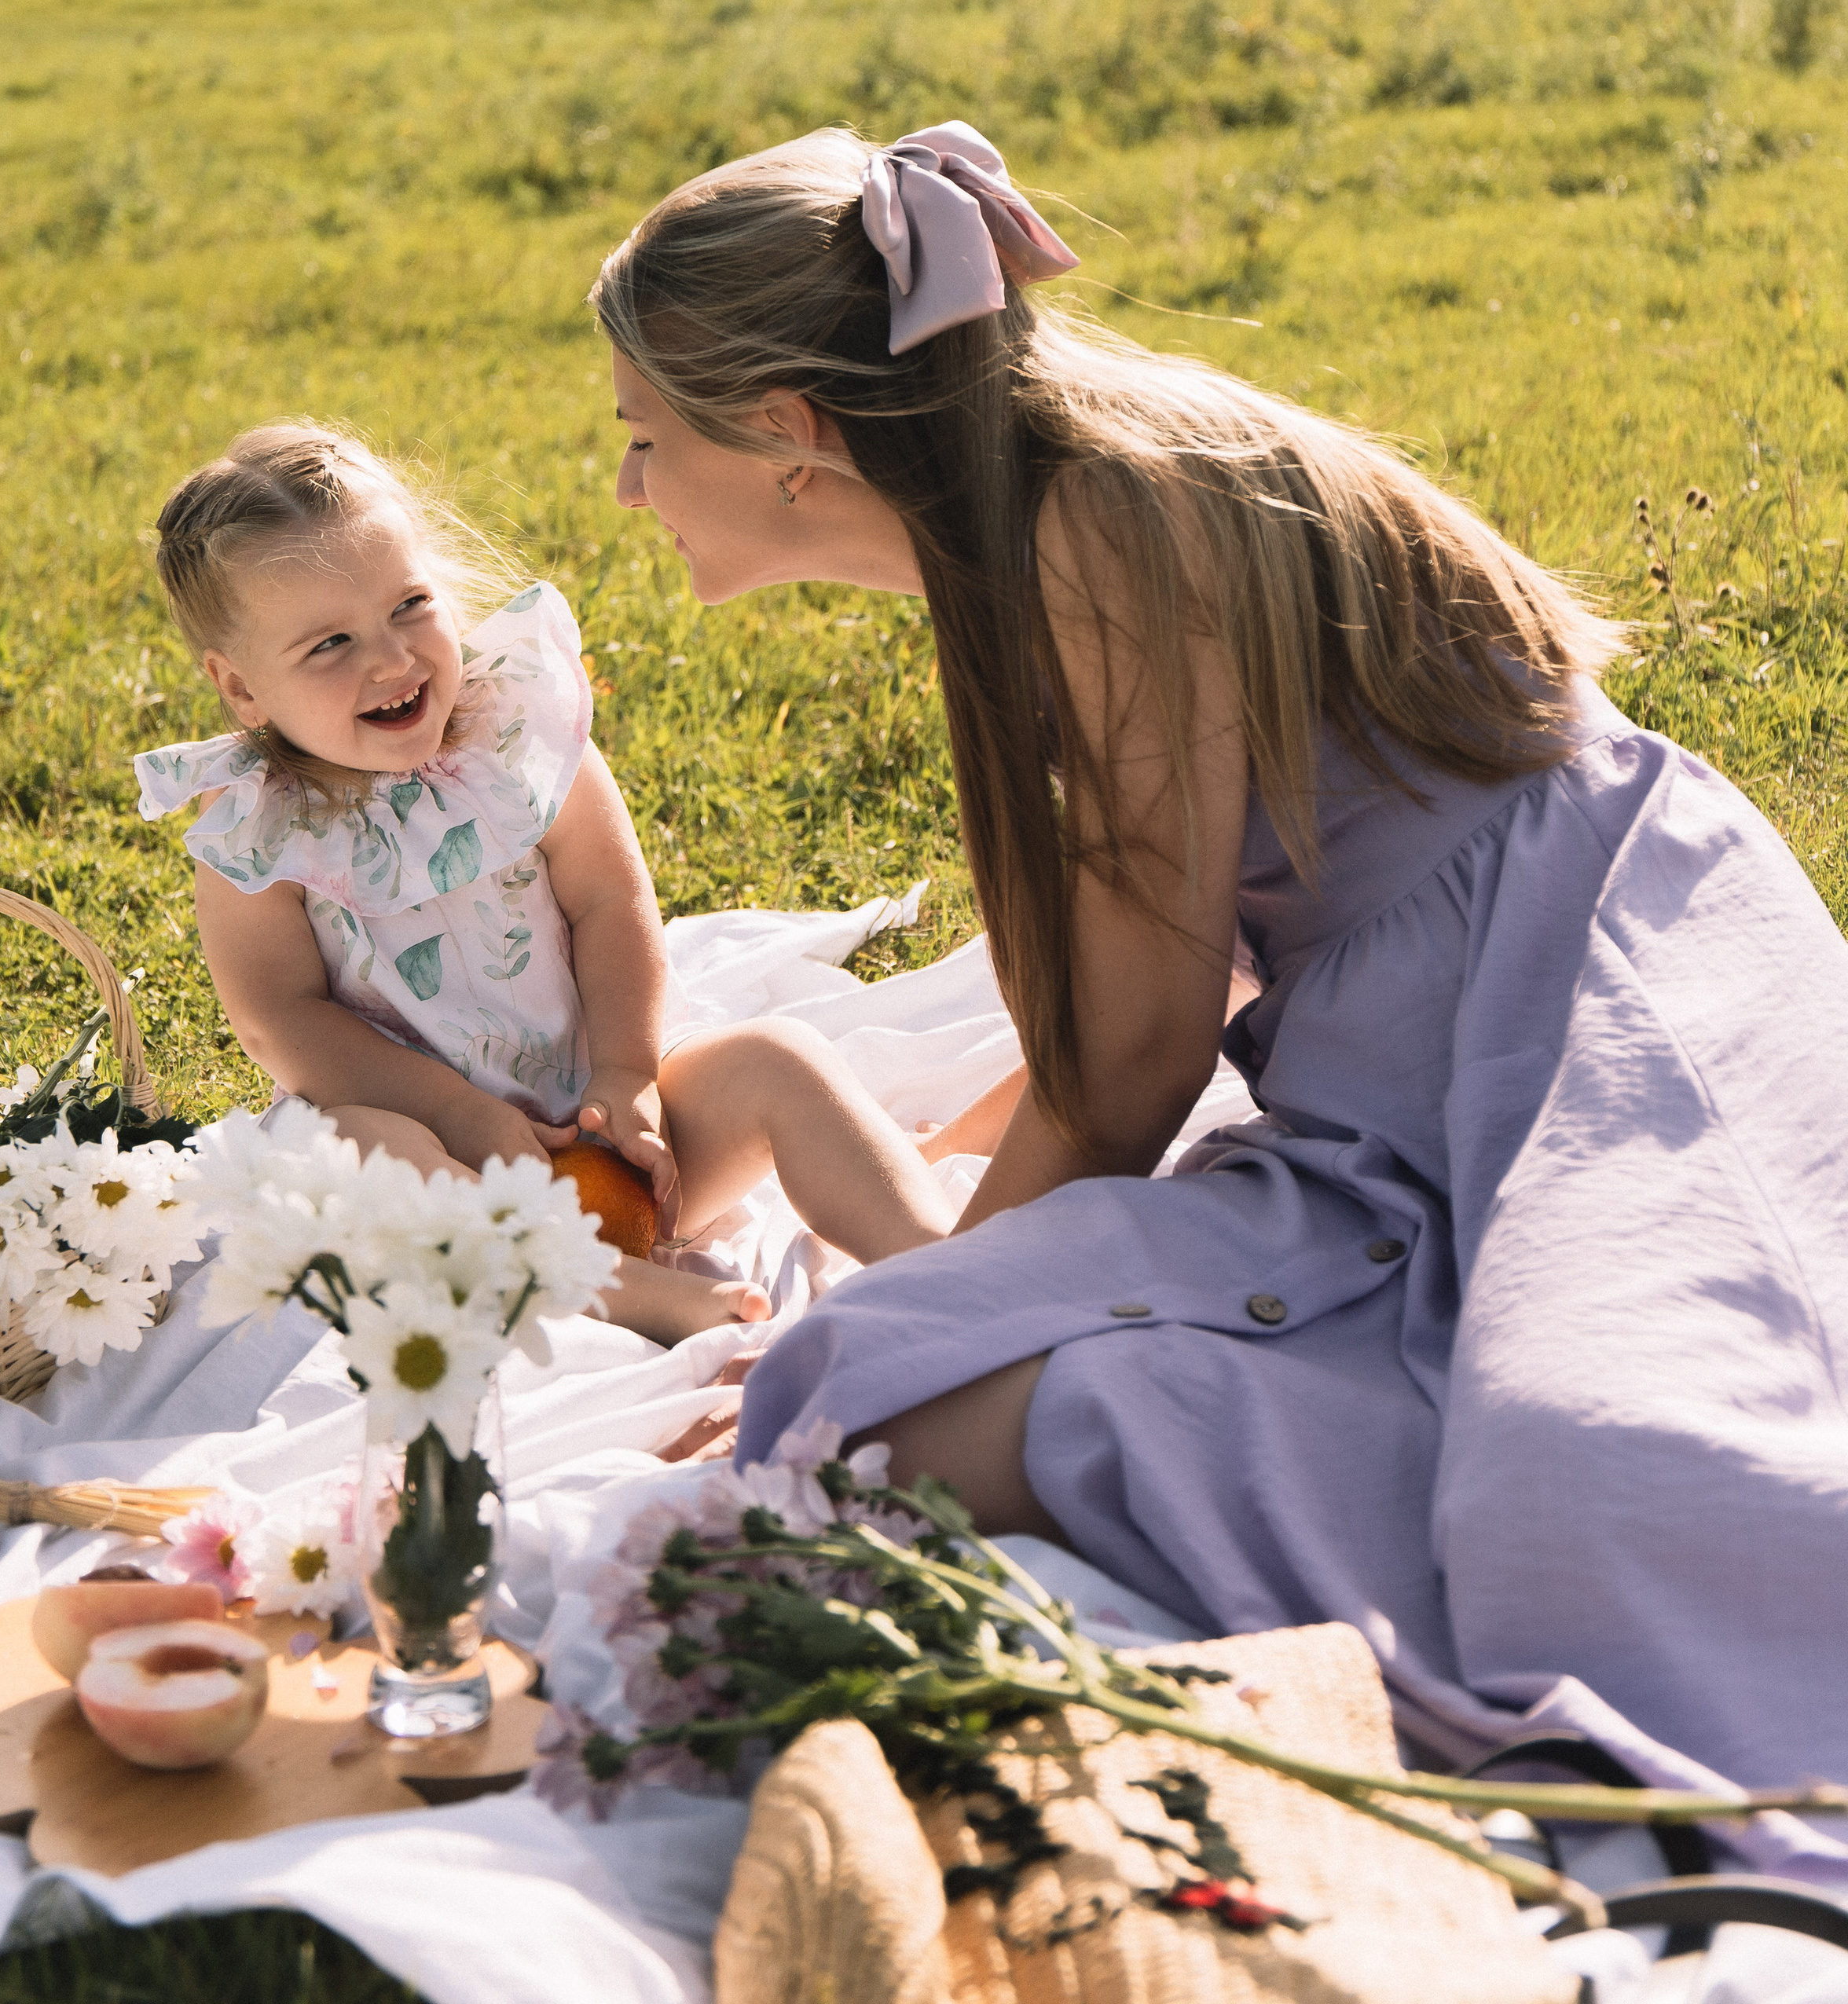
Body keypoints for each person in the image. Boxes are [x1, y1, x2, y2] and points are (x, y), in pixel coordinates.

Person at [589, 119, 1848, 1802]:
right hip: (1392, 1077)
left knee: (1601, 1476)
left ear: (785, 437)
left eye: (643, 439)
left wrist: (933, 1304)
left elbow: (1131, 1067)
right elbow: (1116, 1033)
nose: (625, 486)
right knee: (864, 1427)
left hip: (1587, 997)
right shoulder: (1034, 526)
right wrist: (924, 1320)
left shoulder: (1101, 519)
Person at [137, 423, 954, 1349]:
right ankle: (613, 1292)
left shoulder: (514, 735)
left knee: (779, 1058)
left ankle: (933, 1253)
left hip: (611, 1128)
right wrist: (456, 1113)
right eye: (330, 644)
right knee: (364, 1154)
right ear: (241, 689)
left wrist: (630, 1076)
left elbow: (611, 901)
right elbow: (278, 1018)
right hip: (445, 1155)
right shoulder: (261, 830)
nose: (393, 659)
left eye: (410, 604)